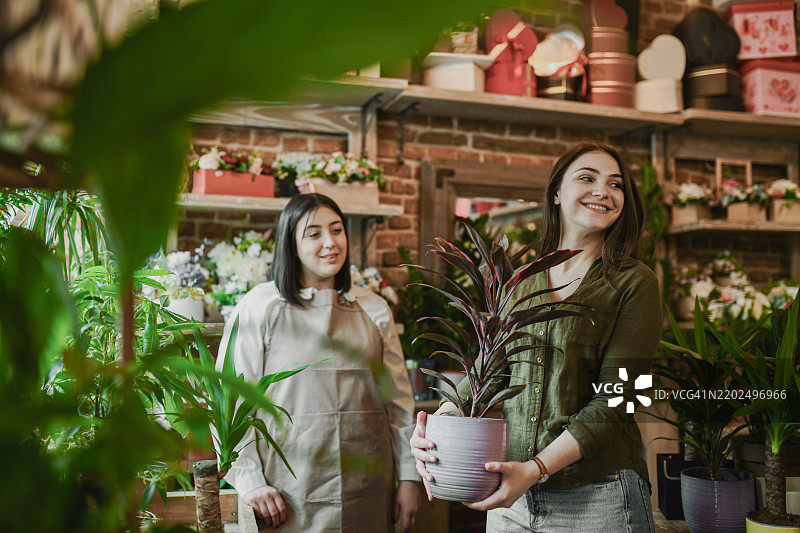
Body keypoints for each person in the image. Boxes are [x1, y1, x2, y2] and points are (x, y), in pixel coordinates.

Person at [410, 143, 662, 533]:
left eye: (616, 184)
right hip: (512, 497)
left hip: (599, 497)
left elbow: (620, 397)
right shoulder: (522, 281)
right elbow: (491, 369)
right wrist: (438, 425)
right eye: (587, 177)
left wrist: (536, 469)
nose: (603, 191)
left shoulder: (634, 282)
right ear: (557, 193)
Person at [217, 193, 419, 531]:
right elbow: (230, 404)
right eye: (314, 233)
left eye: (337, 230)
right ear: (291, 245)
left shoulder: (374, 307)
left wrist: (410, 478)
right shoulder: (259, 307)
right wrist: (250, 480)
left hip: (368, 490)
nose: (330, 242)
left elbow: (398, 405)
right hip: (285, 495)